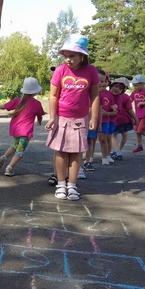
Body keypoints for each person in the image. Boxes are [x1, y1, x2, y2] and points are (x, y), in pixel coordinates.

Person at [45, 35, 100, 201]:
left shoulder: (91, 71)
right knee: (60, 151)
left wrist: (93, 118)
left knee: (76, 152)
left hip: (80, 118)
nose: (68, 59)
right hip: (61, 117)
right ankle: (61, 184)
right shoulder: (61, 70)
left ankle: (72, 185)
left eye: (72, 56)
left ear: (82, 55)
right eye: (66, 56)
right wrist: (52, 117)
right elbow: (53, 95)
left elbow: (95, 95)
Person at [0, 77, 45, 176]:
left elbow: (6, 106)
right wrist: (40, 121)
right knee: (20, 151)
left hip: (15, 129)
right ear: (35, 92)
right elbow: (40, 115)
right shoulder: (37, 103)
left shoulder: (18, 100)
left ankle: (3, 158)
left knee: (15, 145)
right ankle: (9, 168)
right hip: (25, 131)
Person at [110, 77, 138, 160]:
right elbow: (130, 109)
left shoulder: (109, 95)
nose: (118, 89)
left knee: (112, 135)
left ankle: (117, 152)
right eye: (117, 86)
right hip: (126, 119)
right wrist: (135, 119)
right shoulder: (126, 97)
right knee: (124, 134)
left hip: (117, 118)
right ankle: (119, 150)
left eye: (121, 88)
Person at [130, 75, 145, 153]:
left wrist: (142, 103)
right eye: (134, 85)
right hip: (138, 115)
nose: (135, 87)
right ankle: (139, 146)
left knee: (140, 130)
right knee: (136, 130)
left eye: (136, 85)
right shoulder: (135, 92)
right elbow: (130, 100)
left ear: (143, 84)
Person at [97, 70, 117, 165]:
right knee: (93, 139)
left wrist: (111, 110)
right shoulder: (94, 92)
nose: (103, 84)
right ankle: (89, 156)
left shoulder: (110, 94)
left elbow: (113, 107)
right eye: (101, 82)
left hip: (106, 120)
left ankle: (106, 156)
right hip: (95, 119)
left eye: (105, 81)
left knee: (105, 139)